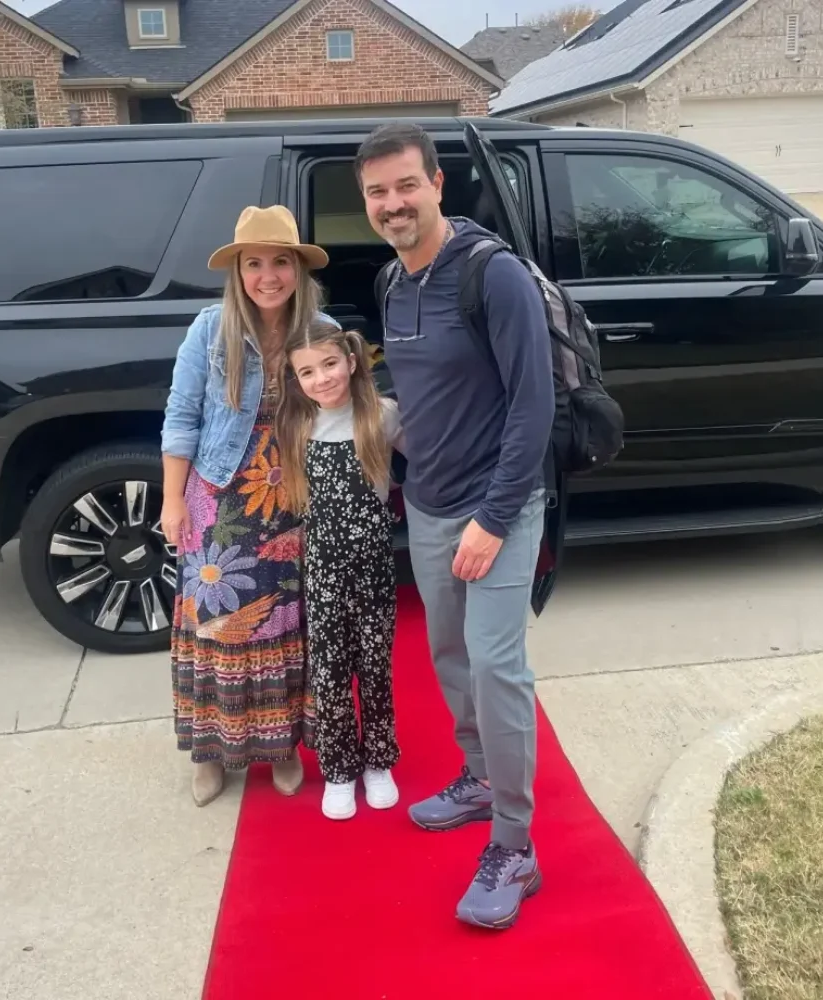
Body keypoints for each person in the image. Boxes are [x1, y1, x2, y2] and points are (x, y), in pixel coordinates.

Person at [355, 123, 555, 929]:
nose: (393, 204)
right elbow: (426, 402)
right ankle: (478, 776)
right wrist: (359, 419)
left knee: (496, 664)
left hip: (499, 511)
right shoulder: (391, 285)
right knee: (448, 655)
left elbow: (531, 405)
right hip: (430, 506)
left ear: (437, 184)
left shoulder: (491, 276)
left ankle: (516, 844)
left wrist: (494, 520)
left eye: (406, 185)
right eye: (377, 192)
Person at [160, 205, 337, 807]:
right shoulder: (210, 329)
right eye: (254, 263)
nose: (268, 275)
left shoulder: (320, 330)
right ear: (237, 271)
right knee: (215, 627)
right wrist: (172, 502)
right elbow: (181, 417)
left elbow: (342, 415)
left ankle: (280, 746)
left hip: (290, 497)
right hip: (216, 497)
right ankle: (210, 753)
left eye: (280, 262)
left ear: (297, 270)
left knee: (284, 622)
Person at [276, 320, 403, 821]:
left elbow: (436, 456)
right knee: (328, 670)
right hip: (322, 568)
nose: (321, 378)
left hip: (372, 563)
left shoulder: (382, 416)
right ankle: (339, 768)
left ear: (352, 362)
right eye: (307, 371)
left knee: (374, 665)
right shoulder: (296, 427)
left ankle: (378, 760)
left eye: (329, 364)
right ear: (296, 380)